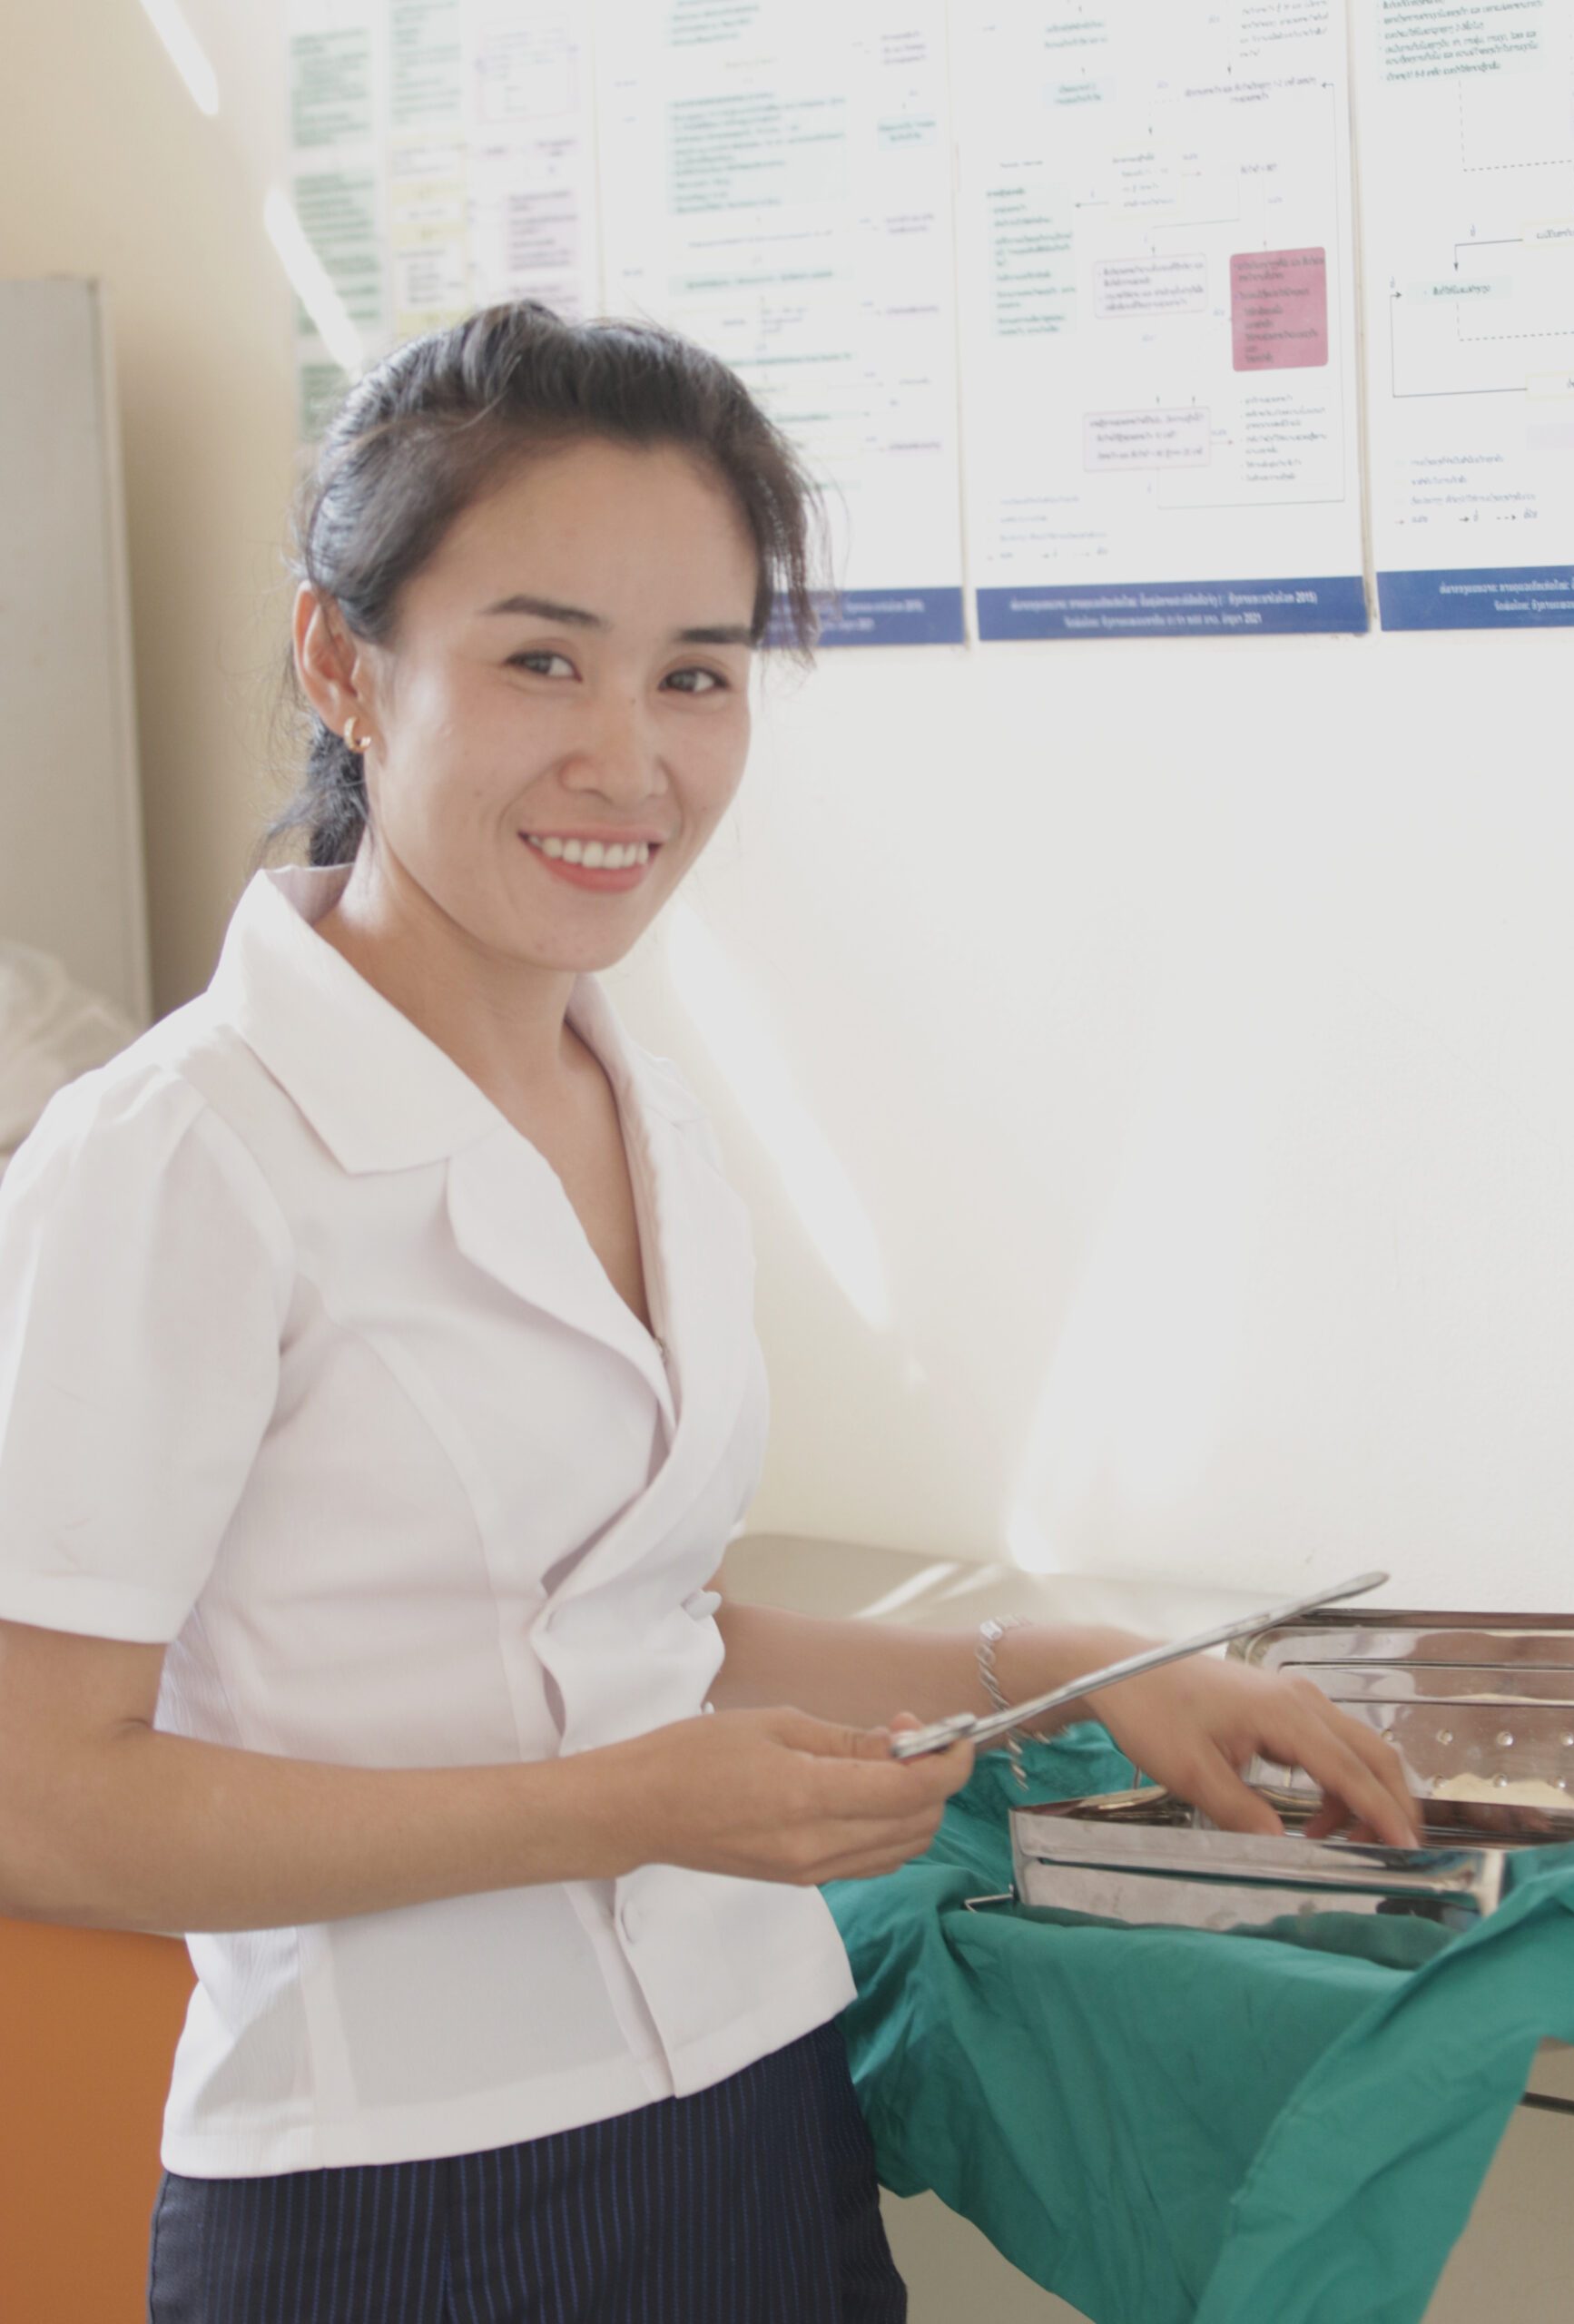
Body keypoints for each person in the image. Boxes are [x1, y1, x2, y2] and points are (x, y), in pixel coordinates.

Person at [0, 300, 1418, 2322]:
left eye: (699, 674)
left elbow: (627, 1624)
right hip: (395, 2208)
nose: (630, 757)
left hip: (753, 2107)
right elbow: (40, 1796)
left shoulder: (635, 1103)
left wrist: (1071, 1658)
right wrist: (617, 1804)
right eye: (539, 658)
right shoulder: (174, 1161)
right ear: (343, 659)